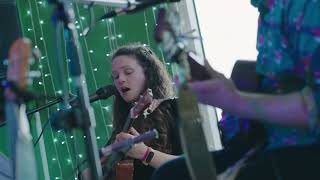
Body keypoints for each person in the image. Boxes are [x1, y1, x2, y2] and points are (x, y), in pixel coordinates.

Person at [152, 0, 320, 179]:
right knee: (171, 175)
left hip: (304, 155)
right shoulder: (268, 9)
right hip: (267, 145)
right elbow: (280, 84)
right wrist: (225, 90)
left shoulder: (308, 7)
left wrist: (236, 101)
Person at [82, 43, 182, 180]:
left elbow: (192, 166)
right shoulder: (123, 127)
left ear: (148, 73)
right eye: (115, 77)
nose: (120, 80)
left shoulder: (175, 107)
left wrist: (146, 154)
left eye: (128, 72)